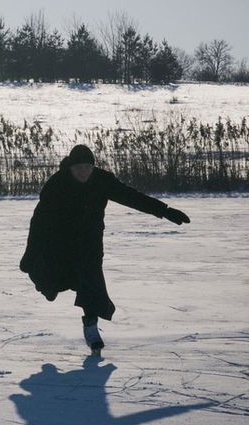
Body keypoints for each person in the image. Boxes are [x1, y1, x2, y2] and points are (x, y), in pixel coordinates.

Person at [19, 144, 190, 355]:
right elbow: (38, 222)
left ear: (93, 167)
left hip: (89, 243)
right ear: (71, 167)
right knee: (49, 280)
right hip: (58, 243)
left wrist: (165, 211)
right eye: (79, 168)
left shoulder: (102, 180)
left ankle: (91, 328)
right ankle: (49, 288)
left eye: (88, 167)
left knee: (91, 284)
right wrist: (30, 253)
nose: (84, 172)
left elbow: (131, 197)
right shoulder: (57, 184)